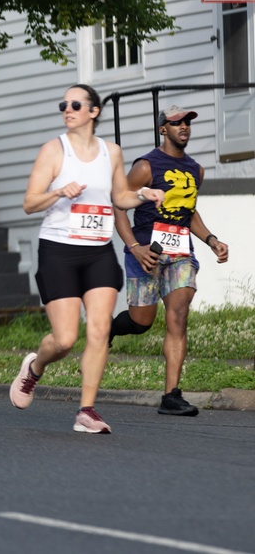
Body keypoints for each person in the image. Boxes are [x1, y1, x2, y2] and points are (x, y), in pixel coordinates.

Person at [9, 84, 165, 433]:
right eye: (63, 104)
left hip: (97, 251)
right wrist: (58, 192)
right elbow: (30, 203)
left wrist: (144, 193)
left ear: (93, 111)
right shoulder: (54, 151)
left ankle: (87, 410)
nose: (68, 109)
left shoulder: (112, 152)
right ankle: (34, 368)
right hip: (59, 250)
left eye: (75, 104)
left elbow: (120, 197)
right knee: (64, 339)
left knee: (99, 329)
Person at [109, 106, 228, 417]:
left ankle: (171, 395)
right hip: (146, 250)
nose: (183, 126)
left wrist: (211, 240)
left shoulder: (196, 170)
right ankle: (111, 329)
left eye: (187, 122)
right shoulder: (147, 166)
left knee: (178, 315)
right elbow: (119, 203)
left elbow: (189, 212)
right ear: (163, 129)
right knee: (141, 322)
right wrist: (134, 246)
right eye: (176, 123)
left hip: (180, 254)